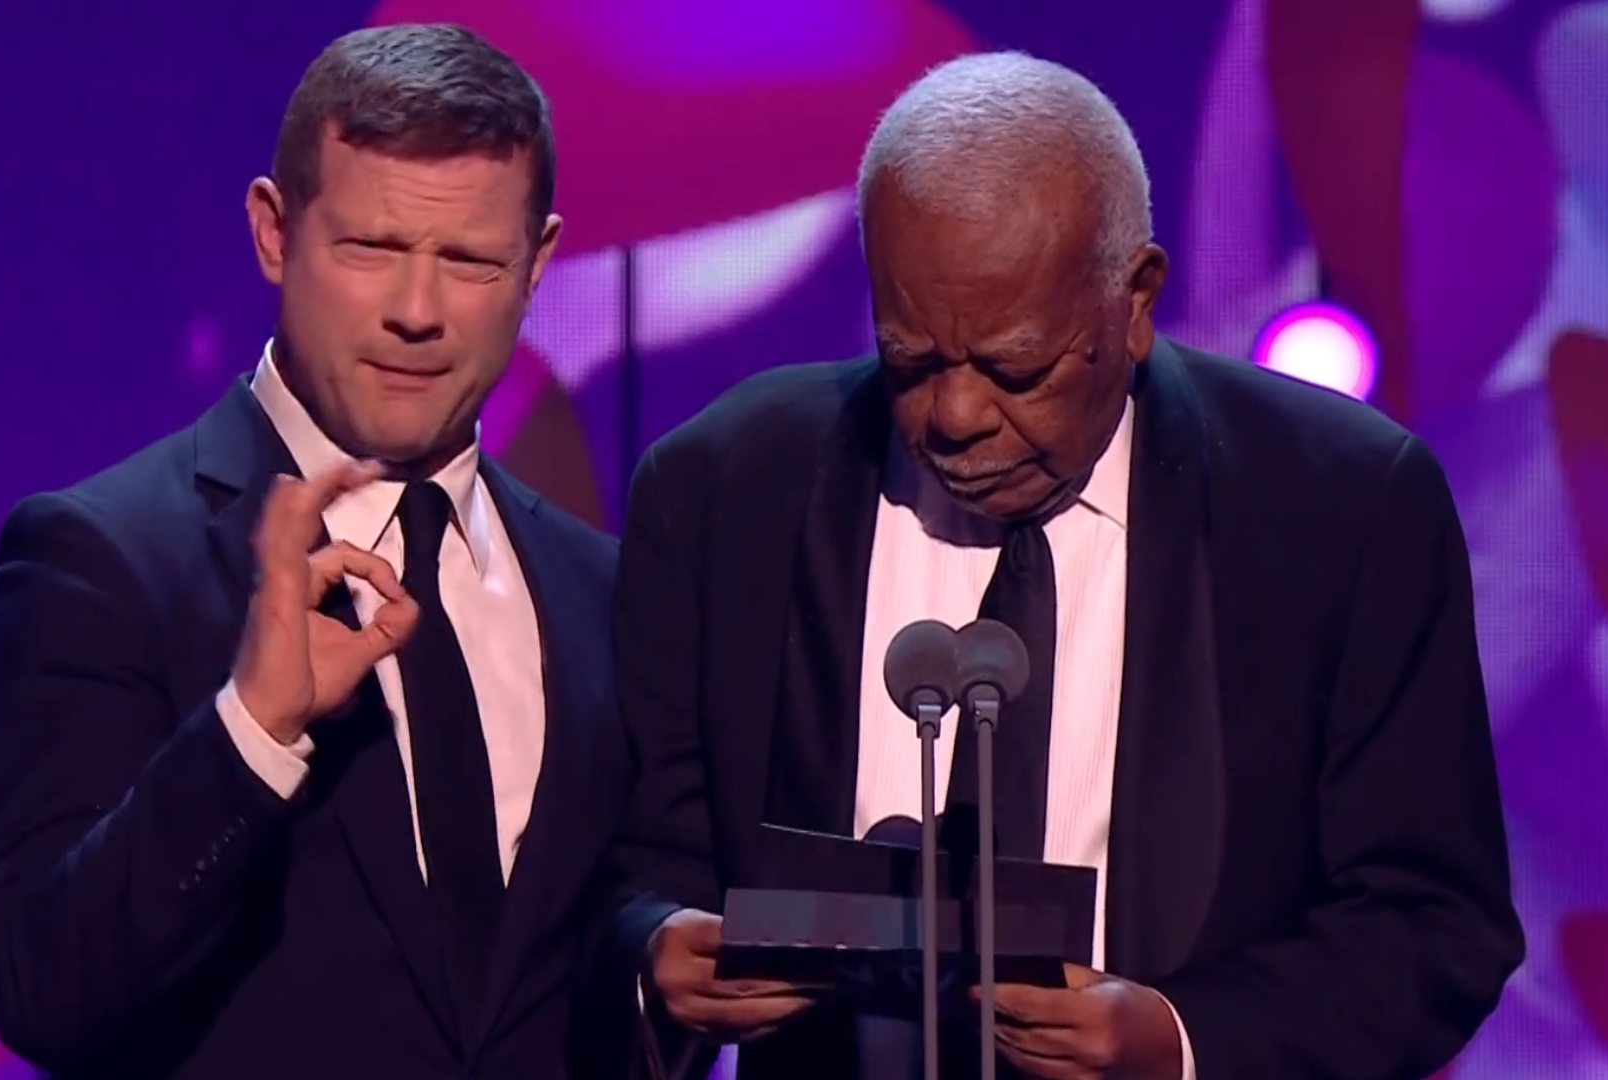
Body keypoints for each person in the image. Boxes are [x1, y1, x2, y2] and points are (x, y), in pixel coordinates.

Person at [610, 51, 1524, 1080]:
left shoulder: (1341, 509)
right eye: (910, 357)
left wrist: (1180, 1042)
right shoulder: (726, 485)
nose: (954, 417)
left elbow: (1434, 923)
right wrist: (655, 951)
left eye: (1016, 367)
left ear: (1133, 302)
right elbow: (627, 858)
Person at [0, 24, 634, 1080]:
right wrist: (253, 730)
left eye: (468, 260)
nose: (418, 312)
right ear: (275, 232)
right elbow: (43, 986)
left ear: (539, 262)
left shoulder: (600, 592)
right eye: (370, 249)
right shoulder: (100, 557)